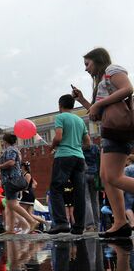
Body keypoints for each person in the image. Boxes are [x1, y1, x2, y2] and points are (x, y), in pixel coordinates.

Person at [72, 47, 134, 239]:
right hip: (109, 131)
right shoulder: (101, 83)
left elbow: (128, 89)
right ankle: (120, 222)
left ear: (98, 60)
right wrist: (83, 99)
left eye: (87, 64)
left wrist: (99, 103)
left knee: (113, 177)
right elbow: (97, 113)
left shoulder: (112, 70)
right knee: (106, 177)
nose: (85, 69)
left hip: (117, 131)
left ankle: (121, 222)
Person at [48, 94, 90, 235]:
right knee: (79, 192)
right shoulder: (79, 120)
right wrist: (76, 148)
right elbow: (88, 142)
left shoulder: (60, 117)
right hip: (79, 158)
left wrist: (52, 146)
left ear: (60, 105)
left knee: (56, 189)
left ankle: (61, 223)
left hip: (64, 156)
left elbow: (58, 137)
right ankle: (78, 227)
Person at [0, 133, 40, 234]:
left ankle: (32, 221)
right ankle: (10, 229)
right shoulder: (15, 149)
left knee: (12, 204)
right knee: (10, 205)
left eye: (2, 140)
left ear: (5, 141)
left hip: (11, 180)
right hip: (12, 179)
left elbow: (11, 163)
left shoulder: (10, 150)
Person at [82, 142, 101, 231]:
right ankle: (97, 224)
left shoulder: (80, 148)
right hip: (95, 175)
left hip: (84, 174)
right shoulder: (95, 147)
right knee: (95, 201)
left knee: (86, 199)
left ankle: (89, 225)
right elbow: (99, 161)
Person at [123, 155, 134, 228]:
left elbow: (123, 182)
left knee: (127, 207)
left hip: (129, 191)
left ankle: (133, 223)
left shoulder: (127, 169)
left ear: (128, 160)